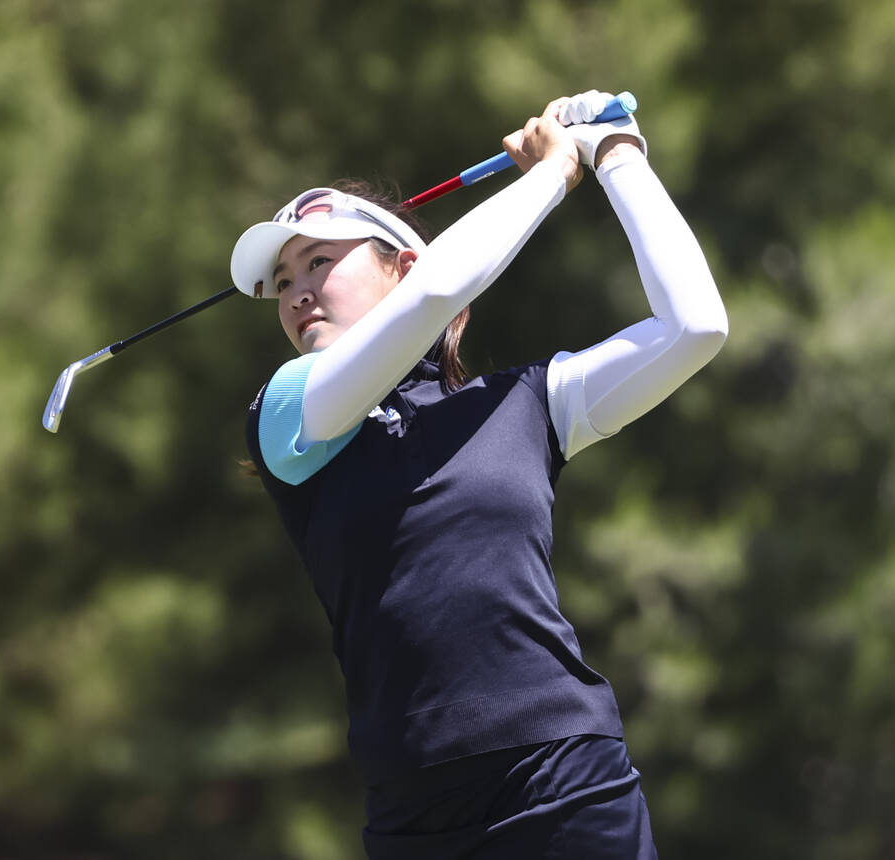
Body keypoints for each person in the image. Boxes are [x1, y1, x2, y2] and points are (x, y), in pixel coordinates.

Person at [229, 90, 727, 859]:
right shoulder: (290, 411)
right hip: (416, 813)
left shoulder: (525, 404)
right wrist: (554, 173)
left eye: (320, 261)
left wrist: (615, 153)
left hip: (567, 776)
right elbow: (438, 294)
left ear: (399, 265)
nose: (297, 290)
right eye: (284, 278)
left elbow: (694, 326)